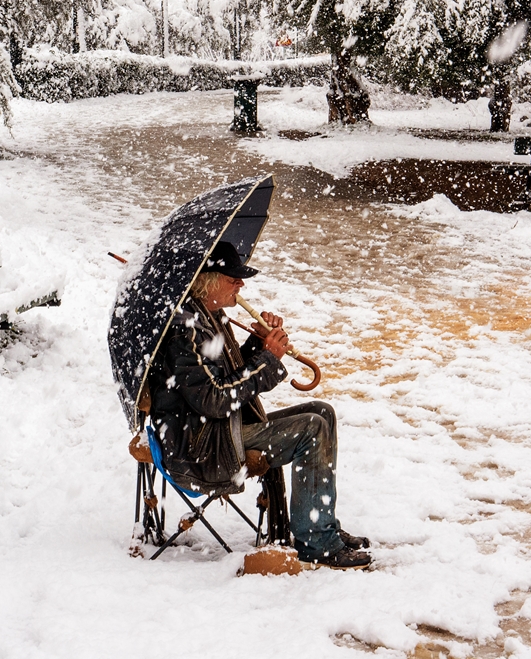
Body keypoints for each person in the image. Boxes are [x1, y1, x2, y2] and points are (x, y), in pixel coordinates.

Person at [146, 240, 372, 569]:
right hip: (201, 445)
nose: (241, 284)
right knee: (312, 428)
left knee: (322, 411)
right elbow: (214, 399)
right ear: (208, 281)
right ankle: (317, 542)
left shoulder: (210, 316)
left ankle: (322, 525)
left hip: (219, 427)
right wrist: (268, 359)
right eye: (232, 278)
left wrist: (257, 344)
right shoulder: (186, 330)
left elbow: (228, 375)